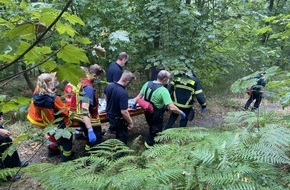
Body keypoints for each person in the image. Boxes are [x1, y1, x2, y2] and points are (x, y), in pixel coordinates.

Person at [27, 73, 73, 162]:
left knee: (57, 138)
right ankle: (66, 159)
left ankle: (55, 153)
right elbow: (64, 111)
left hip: (48, 123)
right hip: (59, 123)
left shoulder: (36, 96)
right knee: (67, 139)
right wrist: (69, 110)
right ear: (49, 83)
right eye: (52, 81)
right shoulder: (54, 98)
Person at [135, 70, 186, 147]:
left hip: (147, 111)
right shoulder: (163, 91)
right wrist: (181, 112)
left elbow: (139, 96)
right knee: (156, 131)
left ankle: (150, 143)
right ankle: (150, 147)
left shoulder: (147, 84)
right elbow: (171, 107)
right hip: (156, 114)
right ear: (165, 79)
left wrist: (134, 104)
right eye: (168, 79)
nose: (168, 81)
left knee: (151, 126)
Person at [70, 64, 105, 155]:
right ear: (94, 75)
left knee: (96, 135)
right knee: (96, 138)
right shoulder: (88, 88)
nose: (98, 80)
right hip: (84, 116)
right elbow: (85, 110)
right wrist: (90, 130)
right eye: (98, 77)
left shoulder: (81, 82)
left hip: (77, 112)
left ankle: (88, 150)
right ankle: (89, 157)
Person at [104, 70, 135, 144]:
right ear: (127, 82)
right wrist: (130, 122)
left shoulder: (109, 86)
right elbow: (124, 112)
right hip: (118, 118)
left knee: (116, 130)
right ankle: (120, 153)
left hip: (109, 114)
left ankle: (112, 134)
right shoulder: (123, 93)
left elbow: (106, 98)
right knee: (122, 136)